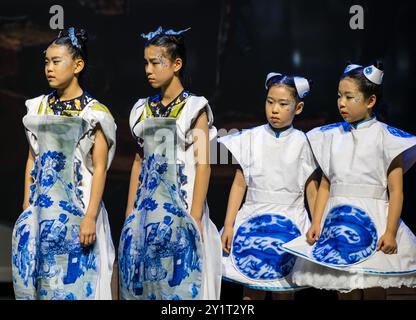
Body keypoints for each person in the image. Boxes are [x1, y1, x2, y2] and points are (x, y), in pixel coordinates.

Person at [282, 61, 416, 299]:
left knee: (374, 284)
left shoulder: (387, 138)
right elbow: (326, 185)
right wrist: (317, 223)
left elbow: (396, 191)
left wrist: (391, 231)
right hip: (338, 220)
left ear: (370, 101)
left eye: (349, 97)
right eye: (339, 96)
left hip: (375, 220)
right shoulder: (331, 137)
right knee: (344, 287)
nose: (341, 102)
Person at [12, 27, 116, 300]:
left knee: (79, 286)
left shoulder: (94, 113)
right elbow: (32, 157)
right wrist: (27, 204)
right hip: (42, 212)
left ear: (78, 65)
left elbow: (100, 168)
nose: (49, 68)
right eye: (46, 61)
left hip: (80, 211)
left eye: (56, 62)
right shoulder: (38, 107)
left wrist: (90, 217)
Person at [118, 26, 222, 300]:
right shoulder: (141, 108)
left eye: (155, 62)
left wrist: (195, 217)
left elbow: (203, 164)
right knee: (147, 282)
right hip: (146, 209)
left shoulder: (194, 107)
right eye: (146, 63)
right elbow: (138, 163)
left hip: (182, 204)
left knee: (181, 282)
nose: (148, 70)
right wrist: (130, 214)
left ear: (176, 64)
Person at [219, 72, 318, 300]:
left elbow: (312, 191)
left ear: (298, 107)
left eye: (283, 104)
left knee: (284, 288)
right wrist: (228, 224)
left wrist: (316, 224)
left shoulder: (304, 142)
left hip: (291, 220)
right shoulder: (250, 138)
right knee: (251, 287)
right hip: (252, 217)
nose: (274, 109)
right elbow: (239, 183)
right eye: (270, 102)